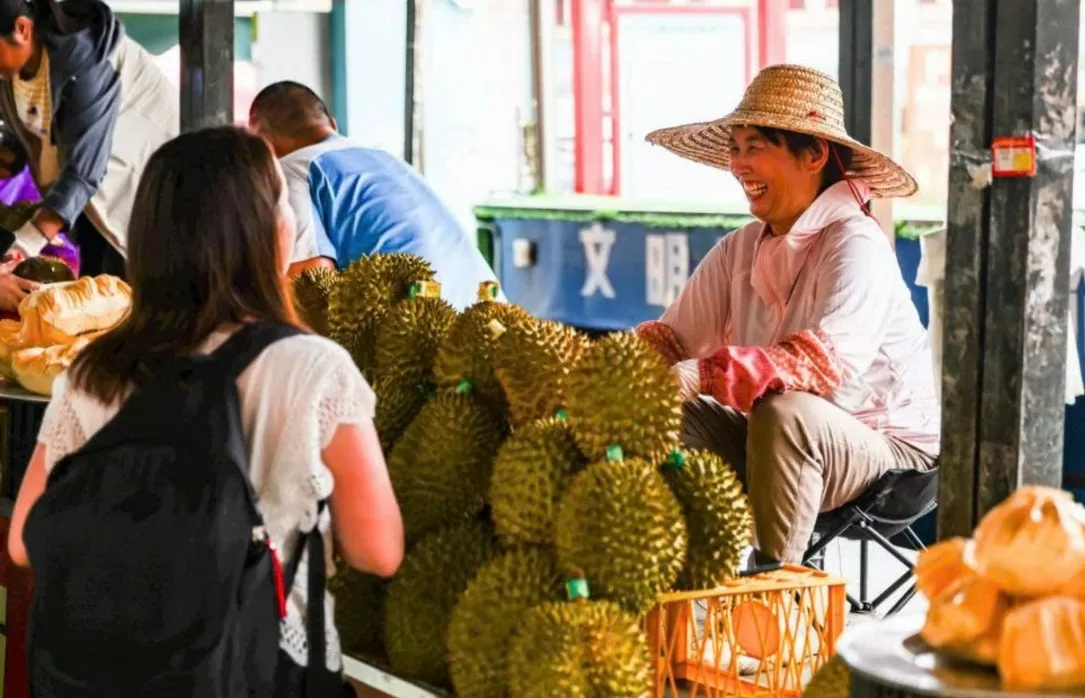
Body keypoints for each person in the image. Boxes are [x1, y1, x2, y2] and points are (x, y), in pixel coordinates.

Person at [8, 126, 404, 689]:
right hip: (260, 672)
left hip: (112, 676)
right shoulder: (314, 368)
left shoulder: (89, 373)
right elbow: (378, 550)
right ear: (268, 232)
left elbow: (24, 540)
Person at [638, 64, 940, 565]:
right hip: (775, 440)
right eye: (735, 148)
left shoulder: (856, 243)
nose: (739, 165)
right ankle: (674, 572)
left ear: (815, 154)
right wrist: (602, 380)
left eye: (755, 147)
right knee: (661, 407)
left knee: (785, 410)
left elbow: (823, 368)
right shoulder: (738, 251)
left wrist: (706, 372)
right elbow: (670, 340)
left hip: (893, 461)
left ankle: (774, 590)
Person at [248, 80, 501, 311]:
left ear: (264, 145)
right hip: (491, 316)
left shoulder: (291, 170)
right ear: (333, 124)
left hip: (421, 333)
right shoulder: (386, 158)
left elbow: (311, 285)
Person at [0, 0, 179, 281]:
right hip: (87, 205)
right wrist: (11, 152)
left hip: (140, 193)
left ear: (22, 29)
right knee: (95, 287)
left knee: (134, 290)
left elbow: (83, 172)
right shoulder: (10, 70)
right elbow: (32, 122)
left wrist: (22, 246)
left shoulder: (87, 60)